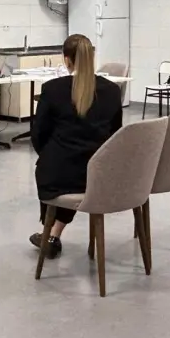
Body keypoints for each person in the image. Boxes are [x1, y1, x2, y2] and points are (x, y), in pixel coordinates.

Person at [28, 34, 123, 259]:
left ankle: (49, 234)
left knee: (55, 168)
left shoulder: (52, 89)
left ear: (67, 60)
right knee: (75, 168)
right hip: (98, 172)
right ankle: (52, 235)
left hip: (60, 174)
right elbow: (116, 134)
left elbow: (38, 134)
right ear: (92, 58)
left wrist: (51, 154)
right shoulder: (112, 91)